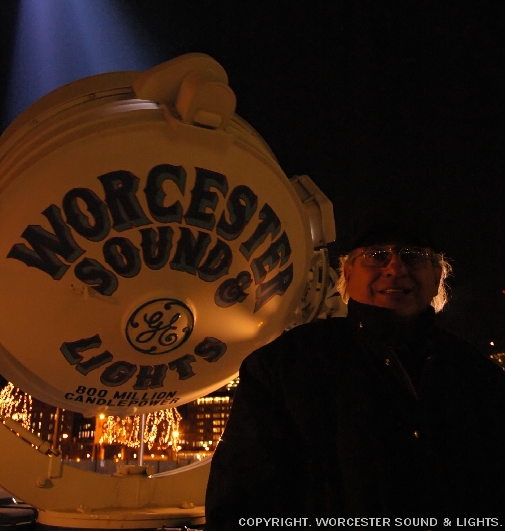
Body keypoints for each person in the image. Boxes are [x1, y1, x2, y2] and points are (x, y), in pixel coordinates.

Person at [205, 214, 505, 526]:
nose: (395, 268)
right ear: (347, 273)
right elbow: (239, 505)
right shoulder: (283, 367)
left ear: (437, 276)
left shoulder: (478, 376)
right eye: (376, 255)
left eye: (413, 256)